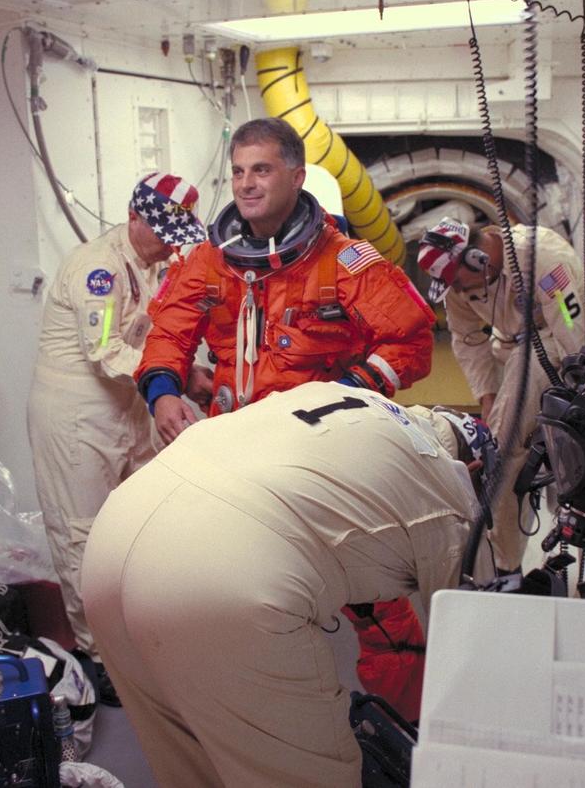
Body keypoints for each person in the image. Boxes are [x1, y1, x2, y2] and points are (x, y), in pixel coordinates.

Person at [83, 380, 493, 788]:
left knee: (190, 764)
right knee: (309, 772)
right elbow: (472, 646)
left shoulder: (344, 396)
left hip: (114, 532)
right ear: (471, 468)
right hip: (219, 569)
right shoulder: (448, 492)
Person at [135, 117, 434, 444]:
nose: (245, 183)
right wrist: (162, 393)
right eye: (238, 171)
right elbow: (170, 333)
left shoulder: (342, 262)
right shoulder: (210, 259)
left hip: (318, 438)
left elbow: (410, 341)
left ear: (297, 178)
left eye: (261, 170)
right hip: (230, 432)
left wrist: (349, 393)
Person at [27, 173, 205, 694]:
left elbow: (156, 333)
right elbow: (105, 353)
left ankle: (148, 627)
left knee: (148, 516)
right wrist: (170, 384)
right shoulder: (98, 271)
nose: (173, 242)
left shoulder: (155, 263)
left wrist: (188, 370)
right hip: (77, 415)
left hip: (128, 404)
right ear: (134, 217)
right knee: (83, 534)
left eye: (178, 233)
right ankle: (100, 657)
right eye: (164, 232)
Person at [417, 216, 585, 570]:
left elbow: (570, 322)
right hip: (510, 347)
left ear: (477, 257)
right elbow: (467, 342)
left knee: (503, 446)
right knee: (499, 431)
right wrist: (488, 398)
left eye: (460, 282)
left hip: (558, 341)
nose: (460, 292)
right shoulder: (460, 285)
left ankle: (503, 561)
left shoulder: (542, 257)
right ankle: (504, 554)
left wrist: (578, 388)